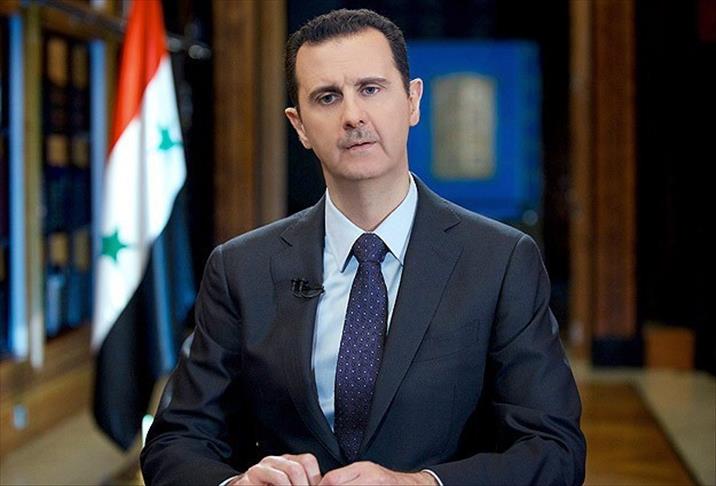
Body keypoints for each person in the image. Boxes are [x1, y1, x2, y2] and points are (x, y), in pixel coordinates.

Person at [140, 8, 586, 486]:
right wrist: (237, 485)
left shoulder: (501, 261)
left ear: (412, 101)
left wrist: (420, 484)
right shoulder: (240, 269)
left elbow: (555, 450)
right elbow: (174, 442)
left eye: (371, 89)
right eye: (327, 97)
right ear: (299, 125)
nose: (352, 115)